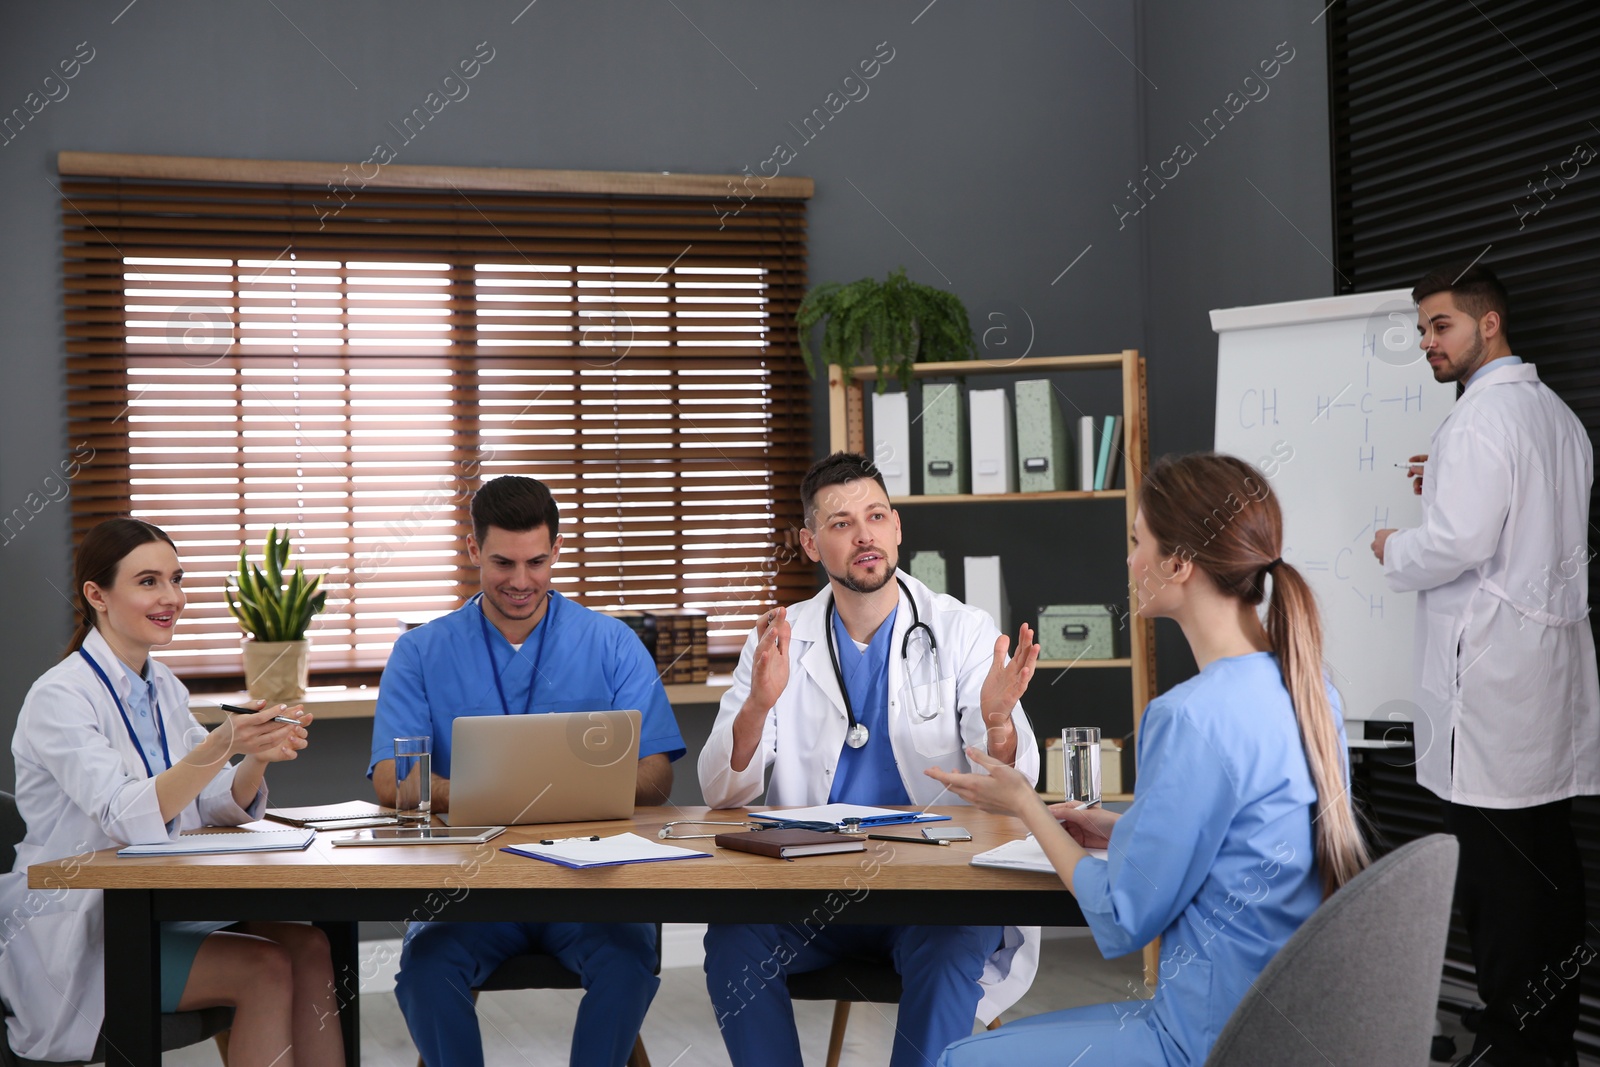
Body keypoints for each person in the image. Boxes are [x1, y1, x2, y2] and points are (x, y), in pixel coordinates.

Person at [929, 453, 1368, 1067]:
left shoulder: (1188, 715)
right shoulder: (1311, 690)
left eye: (1138, 541)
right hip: (1287, 1027)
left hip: (1205, 1038)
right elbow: (1240, 841)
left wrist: (1026, 805)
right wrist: (1122, 828)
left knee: (958, 1060)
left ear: (1179, 563)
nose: (1130, 560)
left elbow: (1123, 916)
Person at [698, 451, 1042, 1067]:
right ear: (809, 543)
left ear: (897, 527)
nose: (864, 535)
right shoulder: (779, 636)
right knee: (733, 939)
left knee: (951, 943)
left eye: (876, 516)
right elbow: (723, 791)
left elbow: (1017, 784)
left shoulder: (960, 629)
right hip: (812, 891)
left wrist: (996, 721)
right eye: (840, 523)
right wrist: (758, 704)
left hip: (930, 894)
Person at [0, 518, 342, 1066]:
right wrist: (221, 743)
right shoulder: (58, 698)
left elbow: (205, 801)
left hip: (159, 902)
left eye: (175, 579)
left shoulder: (163, 686)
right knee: (266, 967)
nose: (172, 598)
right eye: (149, 582)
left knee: (311, 946)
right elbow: (124, 812)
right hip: (89, 927)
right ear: (97, 595)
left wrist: (254, 756)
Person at [371, 474, 686, 1067]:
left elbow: (657, 776)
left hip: (591, 887)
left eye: (537, 562)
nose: (521, 582)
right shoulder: (420, 651)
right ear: (472, 551)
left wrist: (541, 795)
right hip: (471, 890)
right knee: (425, 973)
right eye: (502, 563)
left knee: (627, 967)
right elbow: (393, 780)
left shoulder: (611, 642)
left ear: (557, 552)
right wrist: (508, 794)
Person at [1371, 263, 1598, 1067]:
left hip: (1493, 688)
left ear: (1488, 324)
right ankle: (1546, 1041)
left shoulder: (1477, 420)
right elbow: (1521, 517)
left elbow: (1460, 545)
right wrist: (1450, 485)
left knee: (1499, 884)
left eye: (1442, 326)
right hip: (1540, 681)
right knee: (1548, 869)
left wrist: (1394, 544)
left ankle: (1512, 1044)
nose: (1429, 342)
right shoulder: (1557, 418)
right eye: (1424, 329)